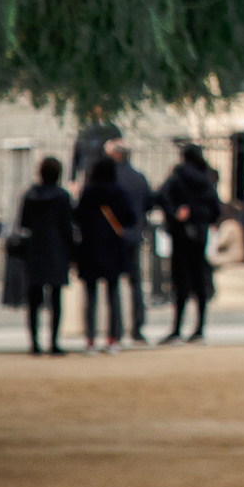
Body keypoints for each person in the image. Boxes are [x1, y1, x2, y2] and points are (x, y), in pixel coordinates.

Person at [153, 144, 221, 344]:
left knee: (180, 282)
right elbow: (215, 209)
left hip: (180, 234)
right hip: (199, 234)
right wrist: (203, 219)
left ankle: (176, 328)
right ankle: (199, 328)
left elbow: (160, 197)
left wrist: (175, 213)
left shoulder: (177, 177)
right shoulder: (206, 179)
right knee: (199, 281)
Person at [71, 152, 131, 353]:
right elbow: (130, 217)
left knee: (90, 297)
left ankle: (90, 339)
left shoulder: (88, 192)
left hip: (90, 248)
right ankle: (113, 338)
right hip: (113, 247)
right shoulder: (119, 192)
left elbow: (77, 217)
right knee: (113, 295)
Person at [17, 155, 76, 355]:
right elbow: (67, 225)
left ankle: (34, 342)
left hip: (35, 249)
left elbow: (23, 223)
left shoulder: (30, 194)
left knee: (33, 299)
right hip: (57, 249)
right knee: (56, 298)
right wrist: (73, 251)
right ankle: (54, 342)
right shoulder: (62, 196)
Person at [103, 138, 155, 344]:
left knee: (113, 283)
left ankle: (115, 329)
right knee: (136, 283)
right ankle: (137, 327)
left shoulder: (111, 179)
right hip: (135, 234)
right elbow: (149, 202)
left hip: (114, 236)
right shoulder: (139, 177)